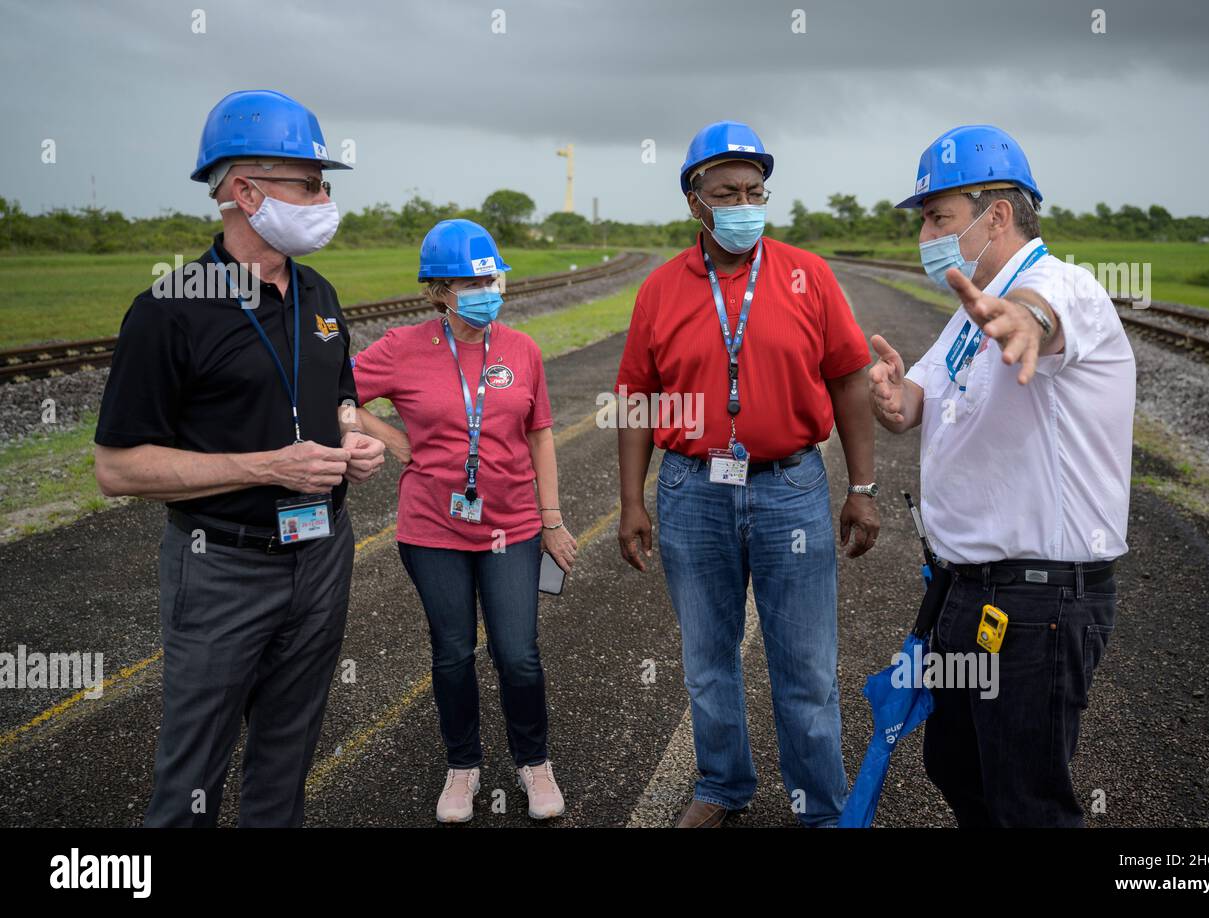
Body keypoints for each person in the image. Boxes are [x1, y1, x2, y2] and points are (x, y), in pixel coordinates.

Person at [93, 90, 386, 827]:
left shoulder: (318, 292)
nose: (324, 198)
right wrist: (267, 467)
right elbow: (117, 468)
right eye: (308, 183)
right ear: (244, 191)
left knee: (287, 758)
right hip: (221, 564)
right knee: (193, 771)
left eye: (325, 183)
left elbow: (339, 388)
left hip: (321, 552)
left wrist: (351, 432)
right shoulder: (169, 308)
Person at [615, 121, 880, 828]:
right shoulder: (661, 290)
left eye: (756, 191)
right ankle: (723, 785)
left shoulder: (807, 275)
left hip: (789, 486)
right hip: (691, 490)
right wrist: (630, 503)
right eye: (727, 191)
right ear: (694, 202)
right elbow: (637, 401)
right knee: (707, 658)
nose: (744, 203)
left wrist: (861, 488)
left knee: (806, 667)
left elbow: (851, 380)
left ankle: (821, 806)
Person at [871, 124, 1136, 827]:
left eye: (938, 217)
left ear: (997, 214)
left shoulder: (1059, 286)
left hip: (1038, 605)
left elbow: (1042, 320)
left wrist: (1025, 321)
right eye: (924, 219)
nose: (924, 234)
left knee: (1028, 800)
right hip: (968, 591)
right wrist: (893, 396)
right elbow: (914, 405)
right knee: (956, 766)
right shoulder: (966, 315)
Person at [347, 219, 577, 823]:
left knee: (518, 653)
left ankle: (534, 762)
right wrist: (389, 436)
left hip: (515, 528)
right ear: (438, 290)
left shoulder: (522, 349)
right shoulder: (401, 347)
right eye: (469, 281)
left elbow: (541, 433)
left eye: (491, 277)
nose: (485, 288)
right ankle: (463, 767)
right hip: (432, 532)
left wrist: (551, 518)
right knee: (452, 653)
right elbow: (332, 390)